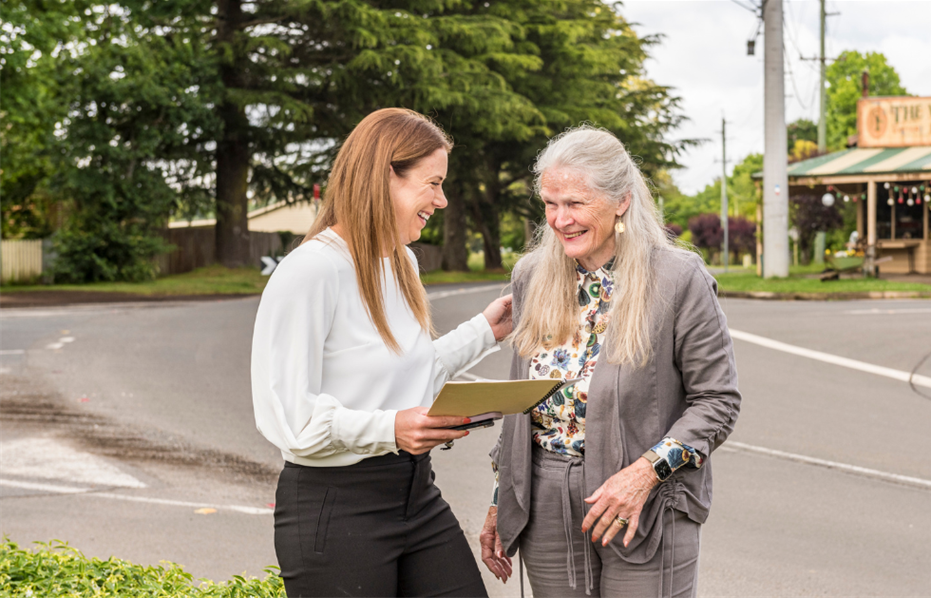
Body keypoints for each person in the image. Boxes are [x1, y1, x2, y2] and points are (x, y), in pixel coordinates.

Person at [251, 107, 511, 598]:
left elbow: (408, 373)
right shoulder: (309, 272)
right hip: (335, 506)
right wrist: (390, 428)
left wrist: (487, 330)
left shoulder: (401, 263)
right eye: (432, 183)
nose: (442, 199)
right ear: (385, 175)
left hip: (415, 493)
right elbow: (289, 419)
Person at [479, 126, 741, 597]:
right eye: (550, 203)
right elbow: (525, 412)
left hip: (644, 504)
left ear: (621, 200)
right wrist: (503, 500)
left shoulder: (678, 279)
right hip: (543, 503)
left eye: (575, 203)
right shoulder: (530, 275)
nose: (560, 220)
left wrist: (644, 474)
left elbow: (716, 402)